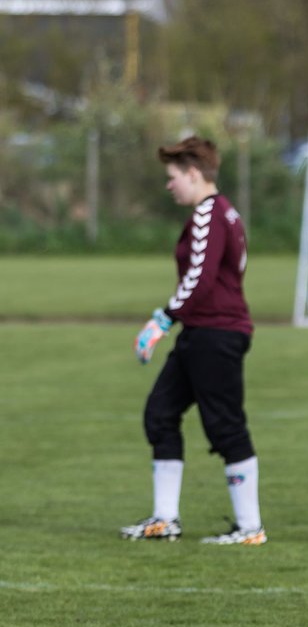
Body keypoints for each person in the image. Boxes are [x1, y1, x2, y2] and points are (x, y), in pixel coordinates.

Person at [119, 136, 267, 546]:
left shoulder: (209, 214)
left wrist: (162, 320)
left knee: (225, 425)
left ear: (194, 174)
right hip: (201, 332)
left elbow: (199, 280)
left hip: (216, 334)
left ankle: (250, 527)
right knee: (160, 413)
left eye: (173, 177)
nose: (169, 186)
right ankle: (165, 520)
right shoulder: (226, 214)